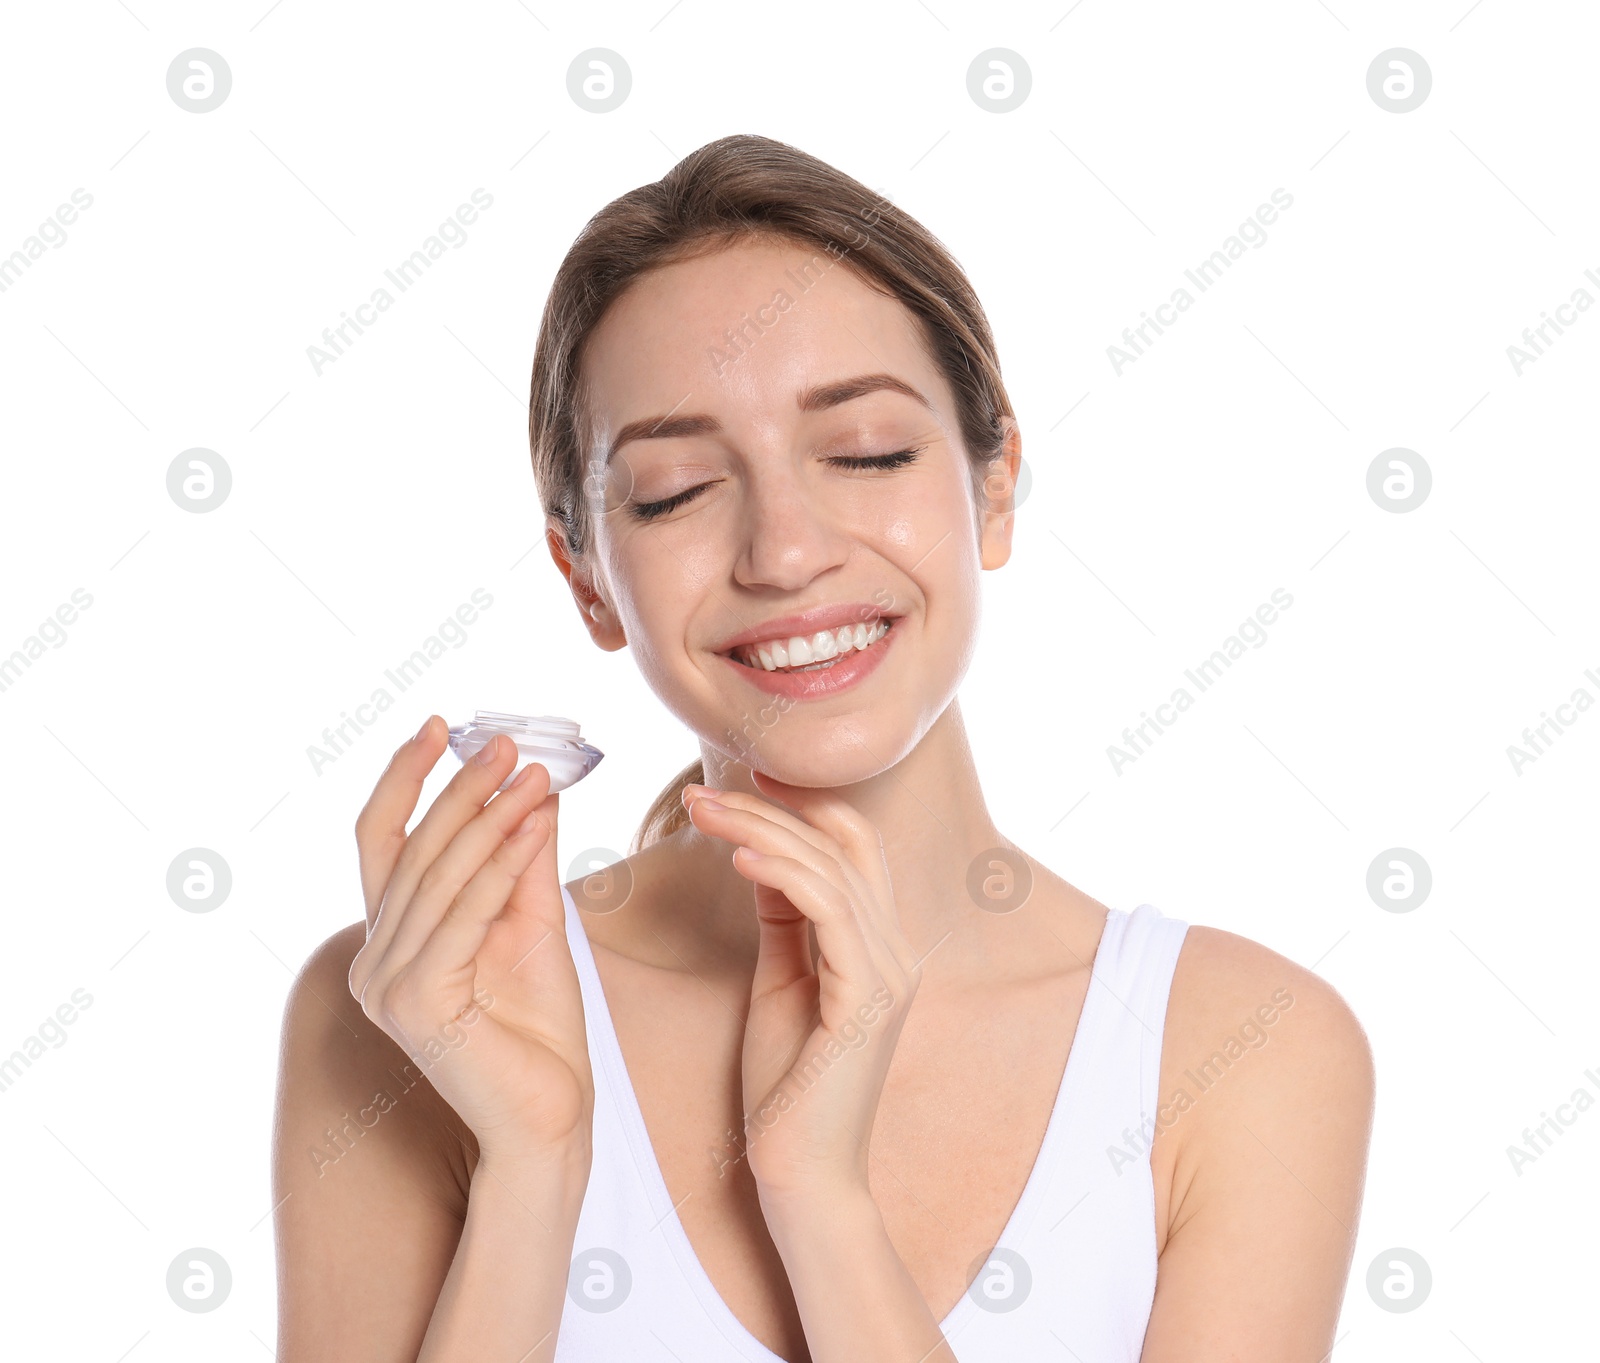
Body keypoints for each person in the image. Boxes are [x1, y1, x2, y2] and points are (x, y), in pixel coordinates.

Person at [271, 133, 1374, 1363]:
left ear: (993, 483)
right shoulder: (408, 1010)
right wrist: (533, 1165)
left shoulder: (1243, 1048)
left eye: (866, 454)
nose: (784, 551)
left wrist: (819, 1202)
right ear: (585, 577)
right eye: (677, 488)